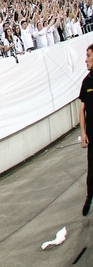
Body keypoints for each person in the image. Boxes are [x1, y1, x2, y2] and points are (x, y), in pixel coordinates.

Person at [80, 43, 93, 216]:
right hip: (92, 135)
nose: (86, 59)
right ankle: (90, 196)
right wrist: (83, 133)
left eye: (89, 55)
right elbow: (82, 110)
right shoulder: (86, 82)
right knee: (92, 173)